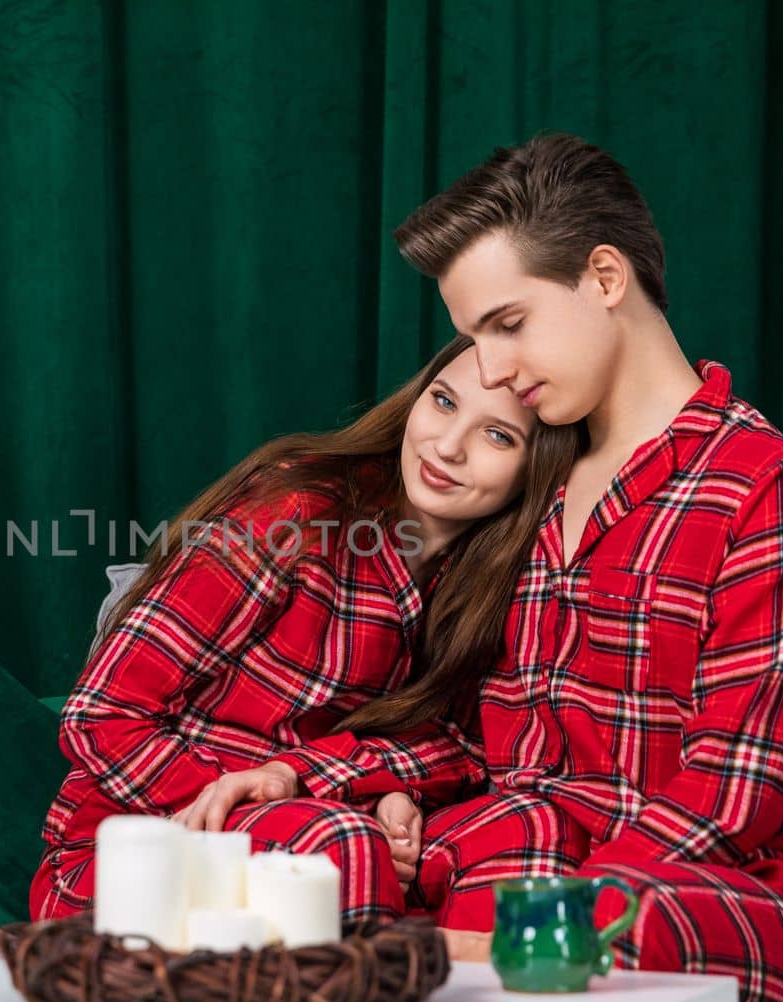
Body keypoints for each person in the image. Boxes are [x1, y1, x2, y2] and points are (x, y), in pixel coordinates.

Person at [394, 132, 783, 1002]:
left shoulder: (762, 484)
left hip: (734, 888)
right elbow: (489, 746)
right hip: (536, 863)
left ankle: (472, 957)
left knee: (618, 918)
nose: (491, 370)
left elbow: (740, 791)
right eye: (472, 339)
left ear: (605, 277)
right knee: (351, 863)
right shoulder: (532, 482)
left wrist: (526, 916)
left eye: (508, 324)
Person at [30, 335, 582, 925]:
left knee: (534, 827)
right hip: (137, 849)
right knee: (335, 851)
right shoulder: (297, 516)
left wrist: (369, 791)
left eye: (498, 435)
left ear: (537, 468)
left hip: (313, 822)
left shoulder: (507, 580)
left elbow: (467, 750)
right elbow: (100, 714)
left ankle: (471, 1001)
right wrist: (275, 796)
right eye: (444, 402)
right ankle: (367, 991)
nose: (447, 446)